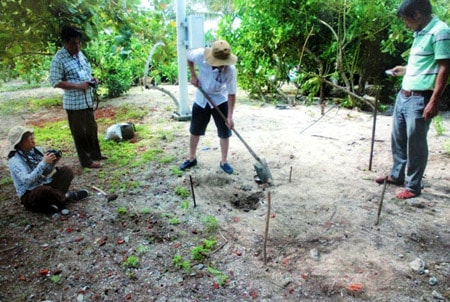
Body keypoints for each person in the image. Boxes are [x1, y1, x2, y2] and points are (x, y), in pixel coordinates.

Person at [376, 0, 450, 199]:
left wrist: (434, 101)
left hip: (420, 98)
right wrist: (404, 70)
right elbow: (427, 64)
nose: (405, 25)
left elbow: (444, 67)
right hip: (405, 94)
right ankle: (397, 175)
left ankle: (413, 186)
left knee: (416, 144)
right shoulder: (420, 32)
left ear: (417, 14)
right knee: (398, 138)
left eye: (406, 20)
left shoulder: (440, 31)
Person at [49, 25, 106, 169]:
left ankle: (95, 154)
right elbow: (55, 81)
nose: (77, 46)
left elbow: (86, 72)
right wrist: (77, 86)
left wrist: (92, 80)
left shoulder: (80, 55)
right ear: (65, 42)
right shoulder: (59, 59)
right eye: (73, 43)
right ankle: (86, 161)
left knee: (92, 128)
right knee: (80, 133)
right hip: (74, 104)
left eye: (79, 42)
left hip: (87, 100)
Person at [179, 40, 238, 174]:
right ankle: (192, 158)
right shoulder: (200, 55)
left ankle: (224, 161)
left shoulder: (230, 71)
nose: (221, 65)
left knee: (224, 132)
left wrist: (230, 117)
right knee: (195, 130)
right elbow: (188, 56)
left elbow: (231, 94)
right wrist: (193, 75)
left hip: (219, 98)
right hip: (201, 97)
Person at [7, 126, 88, 214]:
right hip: (30, 193)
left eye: (31, 135)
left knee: (67, 171)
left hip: (45, 185)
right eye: (28, 137)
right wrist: (43, 163)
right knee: (44, 190)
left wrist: (52, 163)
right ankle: (66, 197)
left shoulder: (37, 150)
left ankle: (54, 203)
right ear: (20, 142)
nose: (32, 138)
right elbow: (27, 181)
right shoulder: (15, 160)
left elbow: (45, 173)